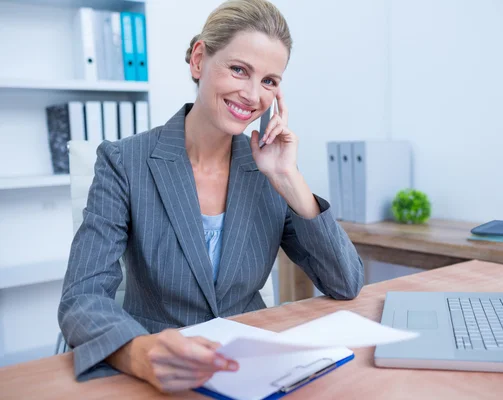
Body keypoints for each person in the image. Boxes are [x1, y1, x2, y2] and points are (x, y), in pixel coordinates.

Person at [58, 0, 364, 393]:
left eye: (269, 81)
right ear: (199, 59)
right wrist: (141, 353)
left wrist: (288, 178)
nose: (253, 95)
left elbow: (346, 282)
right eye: (239, 70)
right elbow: (81, 299)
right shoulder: (124, 162)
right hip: (158, 376)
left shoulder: (267, 169)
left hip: (253, 371)